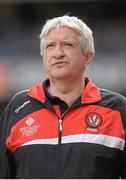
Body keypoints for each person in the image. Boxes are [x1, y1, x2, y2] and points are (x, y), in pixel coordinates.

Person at [0, 15, 126, 179]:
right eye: (50, 46)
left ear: (88, 56)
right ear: (43, 57)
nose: (58, 53)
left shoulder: (117, 109)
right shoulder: (17, 108)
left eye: (67, 44)